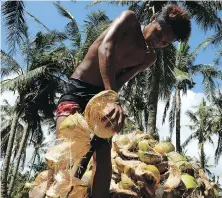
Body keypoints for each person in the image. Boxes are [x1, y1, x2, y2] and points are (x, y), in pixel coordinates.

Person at [56, 3, 191, 198]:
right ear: (153, 20)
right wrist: (111, 97)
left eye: (165, 43)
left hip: (103, 99)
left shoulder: (148, 57)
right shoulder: (129, 20)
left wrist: (111, 102)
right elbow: (105, 48)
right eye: (159, 34)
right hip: (79, 89)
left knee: (102, 154)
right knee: (67, 150)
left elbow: (120, 81)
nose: (158, 42)